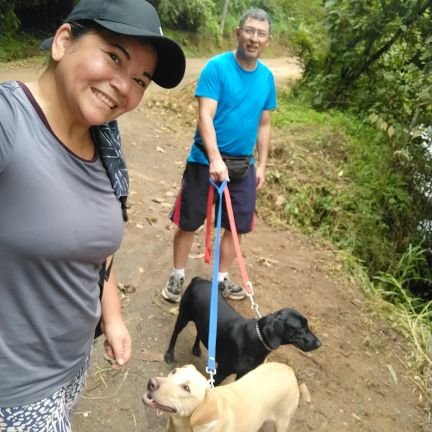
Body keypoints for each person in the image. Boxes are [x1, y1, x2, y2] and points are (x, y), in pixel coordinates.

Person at [0, 0, 185, 430]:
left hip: (71, 366)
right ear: (64, 41)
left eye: (140, 79)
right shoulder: (11, 122)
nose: (124, 86)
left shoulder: (104, 143)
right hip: (16, 395)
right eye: (114, 56)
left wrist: (114, 316)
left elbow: (96, 246)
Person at [162, 8, 276, 303]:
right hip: (204, 160)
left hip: (242, 165)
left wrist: (261, 164)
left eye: (260, 34)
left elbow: (264, 123)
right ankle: (177, 275)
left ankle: (222, 279)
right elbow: (205, 115)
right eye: (249, 31)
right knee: (189, 222)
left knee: (236, 227)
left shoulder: (266, 78)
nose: (254, 38)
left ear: (268, 40)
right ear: (238, 33)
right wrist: (214, 158)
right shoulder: (217, 67)